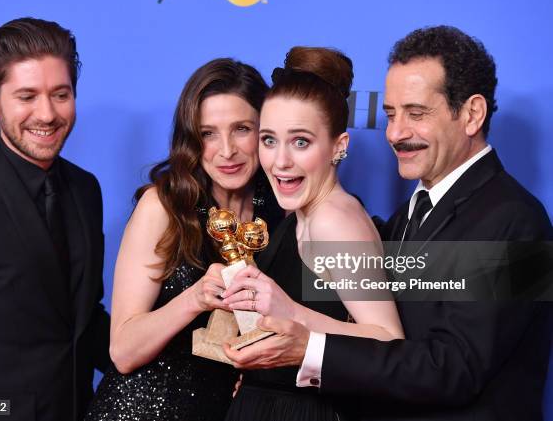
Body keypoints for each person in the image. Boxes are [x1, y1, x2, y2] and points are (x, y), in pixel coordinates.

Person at [224, 26, 553, 420]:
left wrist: (308, 346)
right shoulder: (406, 216)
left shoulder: (519, 222)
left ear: (471, 114)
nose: (395, 133)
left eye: (416, 113)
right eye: (391, 114)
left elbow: (454, 370)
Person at [85, 58, 284, 421]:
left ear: (266, 131)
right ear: (191, 138)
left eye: (242, 129)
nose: (227, 150)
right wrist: (194, 299)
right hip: (139, 411)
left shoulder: (278, 213)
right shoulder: (164, 205)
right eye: (208, 133)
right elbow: (123, 351)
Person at [219, 47, 404, 421]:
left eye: (300, 141)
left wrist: (290, 311)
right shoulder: (302, 213)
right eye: (269, 140)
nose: (280, 161)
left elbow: (388, 341)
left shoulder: (334, 221)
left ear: (338, 147)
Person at [0, 18, 111, 421]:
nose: (48, 114)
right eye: (27, 96)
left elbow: (83, 320)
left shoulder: (85, 189)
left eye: (61, 94)